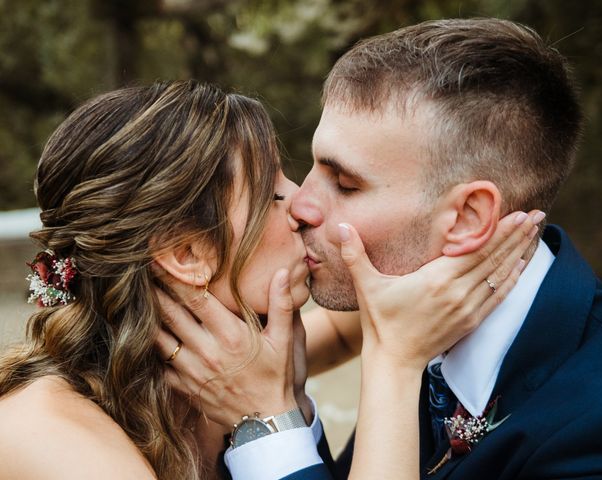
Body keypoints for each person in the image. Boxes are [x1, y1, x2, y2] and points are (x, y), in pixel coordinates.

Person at [159, 18, 602, 480]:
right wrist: (294, 405)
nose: (299, 205)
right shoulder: (411, 309)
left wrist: (266, 423)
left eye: (345, 184)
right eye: (313, 166)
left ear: (468, 217)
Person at [0, 79, 534, 480]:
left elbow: (352, 327)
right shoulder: (55, 440)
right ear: (187, 254)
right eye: (271, 195)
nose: (302, 203)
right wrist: (388, 367)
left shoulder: (226, 368)